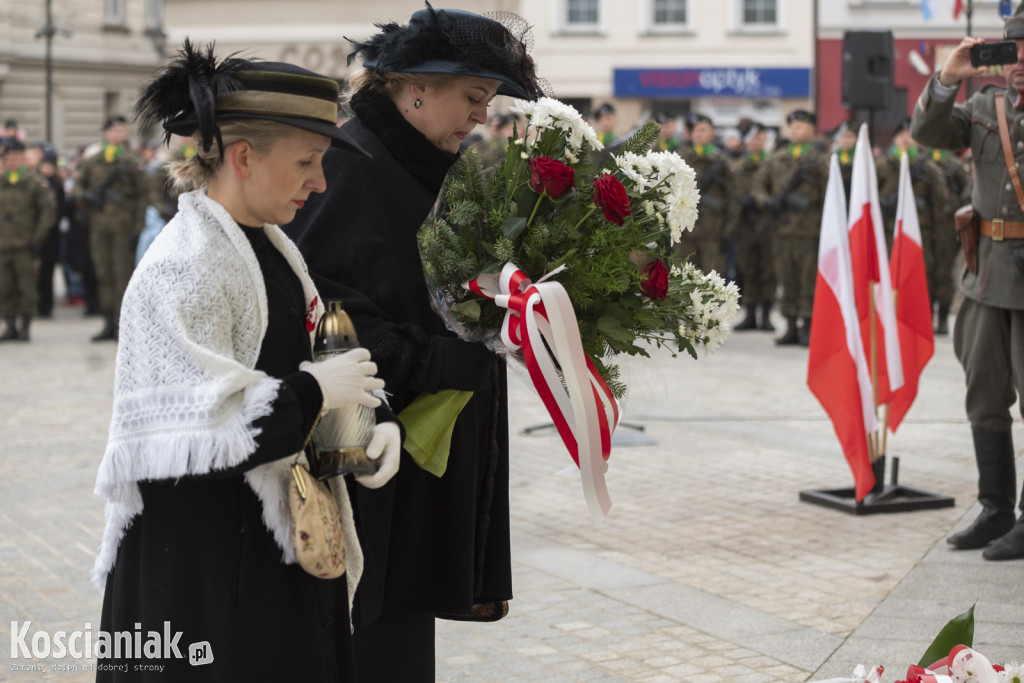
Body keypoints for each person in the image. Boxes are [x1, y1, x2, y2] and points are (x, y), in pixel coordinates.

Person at [92, 41, 402, 681]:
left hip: (267, 564)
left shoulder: (270, 248)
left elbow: (291, 368)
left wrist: (357, 440)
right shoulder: (187, 266)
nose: (320, 182)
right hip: (205, 586)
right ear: (242, 157)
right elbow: (199, 438)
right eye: (307, 162)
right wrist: (314, 392)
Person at [284, 5, 544, 679]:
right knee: (373, 631)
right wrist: (435, 356)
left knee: (400, 632)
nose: (481, 116)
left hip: (412, 453)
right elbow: (322, 307)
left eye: (487, 102)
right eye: (473, 98)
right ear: (412, 84)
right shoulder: (349, 165)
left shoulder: (427, 161)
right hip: (363, 457)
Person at [910, 6, 1024, 561]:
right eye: (1012, 50)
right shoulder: (984, 106)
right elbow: (926, 131)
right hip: (985, 275)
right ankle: (995, 508)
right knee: (983, 392)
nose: (1021, 62)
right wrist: (949, 77)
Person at [752, 109, 828, 346]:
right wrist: (768, 202)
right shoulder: (777, 158)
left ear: (812, 130)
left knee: (808, 279)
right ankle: (791, 325)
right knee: (786, 278)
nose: (795, 130)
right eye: (793, 126)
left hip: (809, 230)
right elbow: (758, 186)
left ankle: (808, 325)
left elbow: (829, 194)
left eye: (801, 127)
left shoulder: (820, 160)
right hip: (782, 230)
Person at [73, 115, 147, 342]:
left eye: (121, 130)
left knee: (121, 275)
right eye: (113, 130)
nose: (117, 134)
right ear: (105, 133)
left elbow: (142, 194)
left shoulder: (131, 162)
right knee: (103, 274)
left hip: (123, 227)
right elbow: (78, 188)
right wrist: (86, 197)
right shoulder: (93, 161)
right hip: (99, 226)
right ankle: (107, 322)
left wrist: (138, 225)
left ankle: (122, 323)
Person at [876, 117, 951, 331]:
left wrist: (939, 231)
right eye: (900, 135)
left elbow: (941, 199)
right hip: (890, 229)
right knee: (891, 273)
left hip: (921, 231)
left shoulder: (926, 167)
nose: (905, 139)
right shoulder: (883, 166)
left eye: (910, 135)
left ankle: (918, 319)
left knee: (920, 274)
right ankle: (892, 318)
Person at [0, 141, 56, 341]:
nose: (12, 161)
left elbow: (47, 212)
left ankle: (24, 327)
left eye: (16, 157)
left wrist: (37, 238)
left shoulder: (34, 183)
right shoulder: (2, 181)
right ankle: (9, 326)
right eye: (9, 158)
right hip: (3, 246)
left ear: (24, 158)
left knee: (26, 288)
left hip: (25, 246)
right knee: (5, 288)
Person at [678, 114, 736, 277]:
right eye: (695, 130)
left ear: (713, 134)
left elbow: (733, 200)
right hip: (685, 233)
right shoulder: (681, 158)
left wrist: (728, 232)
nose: (698, 133)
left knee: (711, 283)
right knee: (683, 280)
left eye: (703, 130)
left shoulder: (722, 161)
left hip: (713, 232)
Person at [732, 123, 776, 331]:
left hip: (768, 224)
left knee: (768, 270)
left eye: (759, 139)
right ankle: (749, 314)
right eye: (752, 139)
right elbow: (731, 194)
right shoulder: (738, 167)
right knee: (747, 269)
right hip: (745, 225)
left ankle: (766, 315)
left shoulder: (773, 165)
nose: (756, 143)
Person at [927, 144, 972, 335]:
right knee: (924, 274)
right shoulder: (922, 165)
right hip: (925, 228)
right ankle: (926, 318)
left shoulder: (955, 168)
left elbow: (967, 195)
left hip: (947, 228)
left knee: (944, 274)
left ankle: (943, 320)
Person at [32, 143, 66, 319]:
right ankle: (38, 304)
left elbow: (60, 209)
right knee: (37, 272)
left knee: (48, 270)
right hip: (38, 234)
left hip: (52, 235)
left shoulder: (56, 185)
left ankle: (46, 305)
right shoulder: (37, 184)